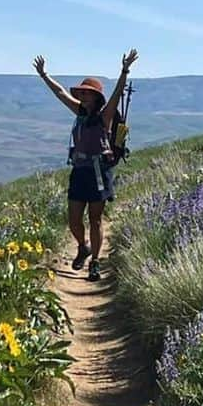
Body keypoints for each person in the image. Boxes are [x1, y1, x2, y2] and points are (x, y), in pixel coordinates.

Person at [32, 49, 138, 281]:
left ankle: (95, 262)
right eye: (82, 93)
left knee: (96, 219)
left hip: (99, 172)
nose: (83, 96)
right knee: (74, 219)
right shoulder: (79, 112)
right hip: (79, 171)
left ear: (96, 97)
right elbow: (60, 93)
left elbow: (118, 93)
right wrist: (44, 75)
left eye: (87, 94)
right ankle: (83, 246)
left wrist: (124, 70)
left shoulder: (105, 116)